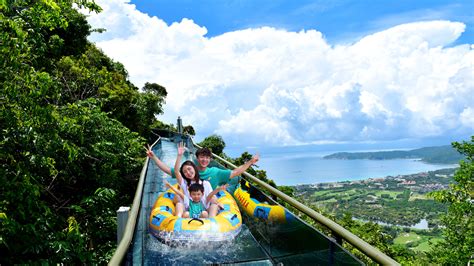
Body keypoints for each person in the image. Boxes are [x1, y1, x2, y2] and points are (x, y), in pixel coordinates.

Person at [146, 144, 259, 193]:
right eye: (201, 157)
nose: (204, 160)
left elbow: (236, 172)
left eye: (207, 158)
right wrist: (154, 157)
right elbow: (168, 170)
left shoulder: (215, 172)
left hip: (206, 200)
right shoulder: (189, 170)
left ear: (210, 159)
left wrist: (250, 162)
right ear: (197, 158)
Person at [153, 143, 220, 217]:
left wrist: (217, 202)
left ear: (194, 168)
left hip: (203, 211)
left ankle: (212, 223)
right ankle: (176, 223)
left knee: (214, 205)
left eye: (189, 169)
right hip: (188, 211)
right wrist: (179, 155)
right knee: (179, 204)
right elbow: (176, 171)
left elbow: (211, 196)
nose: (188, 172)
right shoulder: (184, 183)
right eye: (185, 172)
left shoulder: (206, 183)